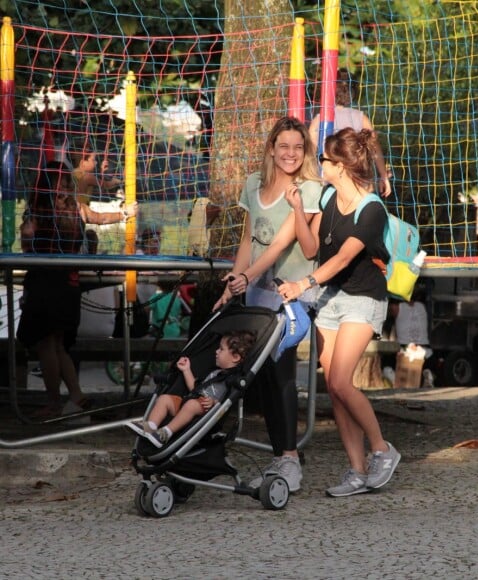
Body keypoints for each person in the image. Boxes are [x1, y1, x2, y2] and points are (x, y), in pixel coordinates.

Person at [278, 127, 401, 497]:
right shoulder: (329, 197)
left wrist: (303, 285)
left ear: (342, 166)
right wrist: (299, 210)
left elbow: (347, 256)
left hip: (364, 297)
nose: (320, 165)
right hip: (331, 298)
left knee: (341, 381)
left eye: (325, 160)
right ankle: (357, 470)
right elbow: (313, 245)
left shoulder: (373, 209)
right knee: (335, 389)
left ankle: (382, 449)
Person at [213, 116, 323, 492]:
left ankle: (290, 457)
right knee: (257, 375)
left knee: (281, 373)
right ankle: (280, 454)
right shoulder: (253, 185)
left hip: (290, 293)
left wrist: (247, 277)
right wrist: (234, 283)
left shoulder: (308, 189)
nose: (291, 153)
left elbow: (279, 245)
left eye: (298, 147)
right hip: (257, 290)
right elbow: (249, 242)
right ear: (271, 149)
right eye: (284, 146)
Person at [17, 165, 89, 418]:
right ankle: (77, 395)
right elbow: (96, 220)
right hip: (69, 284)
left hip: (45, 282)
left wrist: (27, 231)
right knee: (58, 345)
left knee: (46, 344)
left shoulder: (39, 211)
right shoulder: (75, 209)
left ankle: (54, 403)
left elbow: (26, 241)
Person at [127, 330, 257, 448]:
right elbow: (195, 388)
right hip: (191, 401)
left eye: (221, 349)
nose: (216, 352)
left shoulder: (232, 380)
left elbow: (227, 401)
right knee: (164, 399)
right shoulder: (215, 373)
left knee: (191, 405)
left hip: (205, 411)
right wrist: (186, 369)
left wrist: (213, 403)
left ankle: (165, 433)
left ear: (235, 357)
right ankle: (151, 426)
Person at [308, 70, 391, 197]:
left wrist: (309, 179)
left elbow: (309, 153)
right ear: (353, 92)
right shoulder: (361, 118)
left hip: (328, 184)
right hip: (359, 185)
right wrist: (383, 176)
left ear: (328, 91)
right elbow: (375, 148)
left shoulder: (319, 120)